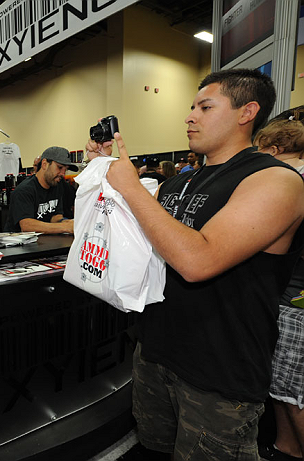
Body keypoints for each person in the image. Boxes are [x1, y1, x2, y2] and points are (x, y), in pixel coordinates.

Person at [87, 68, 304, 460]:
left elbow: (197, 261)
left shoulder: (275, 180)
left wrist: (133, 188)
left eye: (205, 106)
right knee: (154, 450)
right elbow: (142, 242)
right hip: (155, 354)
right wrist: (105, 176)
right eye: (191, 107)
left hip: (219, 373)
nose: (190, 116)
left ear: (246, 112)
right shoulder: (178, 182)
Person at [253, 119, 304, 461]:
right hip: (286, 300)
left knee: (294, 396)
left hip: (296, 304)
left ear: (274, 151)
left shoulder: (293, 183)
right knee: (282, 389)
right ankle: (286, 449)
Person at [4, 146, 75, 234]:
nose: (62, 174)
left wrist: (67, 222)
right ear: (44, 164)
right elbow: (27, 226)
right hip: (18, 245)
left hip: (42, 243)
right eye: (59, 167)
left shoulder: (57, 185)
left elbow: (55, 217)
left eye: (65, 170)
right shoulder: (24, 190)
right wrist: (64, 227)